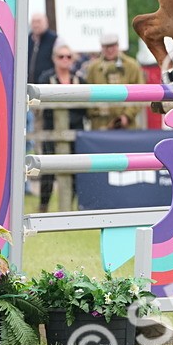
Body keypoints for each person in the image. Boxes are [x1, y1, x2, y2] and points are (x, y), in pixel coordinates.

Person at [35, 41, 86, 213]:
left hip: (75, 130)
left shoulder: (80, 79)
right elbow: (42, 106)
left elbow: (85, 108)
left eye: (68, 56)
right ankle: (43, 206)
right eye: (61, 56)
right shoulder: (46, 78)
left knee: (75, 169)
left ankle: (70, 207)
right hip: (51, 130)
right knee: (47, 169)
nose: (65, 59)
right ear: (54, 58)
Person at [84, 32, 145, 130]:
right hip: (100, 124)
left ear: (118, 46)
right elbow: (88, 94)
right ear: (101, 47)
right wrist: (94, 112)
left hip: (126, 125)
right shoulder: (93, 68)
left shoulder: (132, 66)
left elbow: (140, 93)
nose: (109, 50)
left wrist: (127, 115)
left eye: (112, 46)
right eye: (106, 47)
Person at [27, 13, 58, 85]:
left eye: (38, 21)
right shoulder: (27, 40)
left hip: (47, 84)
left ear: (46, 22)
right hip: (29, 85)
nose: (36, 25)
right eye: (33, 22)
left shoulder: (54, 39)